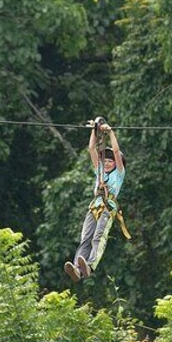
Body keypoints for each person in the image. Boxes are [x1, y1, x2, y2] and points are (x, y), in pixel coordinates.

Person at [65, 118, 128, 281]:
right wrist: (94, 130)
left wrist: (110, 132)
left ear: (116, 163)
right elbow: (91, 148)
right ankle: (78, 269)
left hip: (108, 208)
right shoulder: (100, 171)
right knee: (85, 238)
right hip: (94, 207)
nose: (107, 163)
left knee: (98, 237)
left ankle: (90, 265)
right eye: (105, 161)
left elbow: (116, 151)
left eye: (110, 161)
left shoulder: (118, 174)